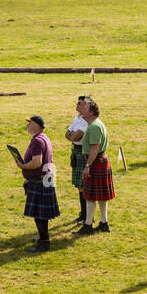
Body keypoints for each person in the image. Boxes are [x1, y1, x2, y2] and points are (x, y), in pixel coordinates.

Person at [15, 115, 59, 252]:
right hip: (43, 180)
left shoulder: (37, 141)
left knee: (40, 215)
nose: (28, 125)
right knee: (40, 214)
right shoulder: (43, 138)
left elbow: (36, 163)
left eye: (30, 123)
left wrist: (22, 166)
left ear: (36, 125)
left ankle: (44, 243)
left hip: (39, 181)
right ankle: (42, 238)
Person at [78, 99, 114, 234]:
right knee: (101, 197)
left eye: (85, 109)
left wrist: (87, 166)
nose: (82, 111)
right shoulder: (96, 124)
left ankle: (88, 225)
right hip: (99, 161)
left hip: (95, 162)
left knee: (90, 196)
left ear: (92, 112)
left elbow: (94, 148)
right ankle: (103, 223)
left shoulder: (94, 126)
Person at [66, 94, 90, 224]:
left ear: (86, 106)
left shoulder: (86, 120)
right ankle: (83, 214)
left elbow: (75, 137)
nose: (77, 105)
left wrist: (72, 136)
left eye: (80, 103)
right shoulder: (78, 118)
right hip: (76, 151)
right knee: (79, 185)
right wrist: (72, 136)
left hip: (82, 152)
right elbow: (67, 134)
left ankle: (87, 216)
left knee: (83, 185)